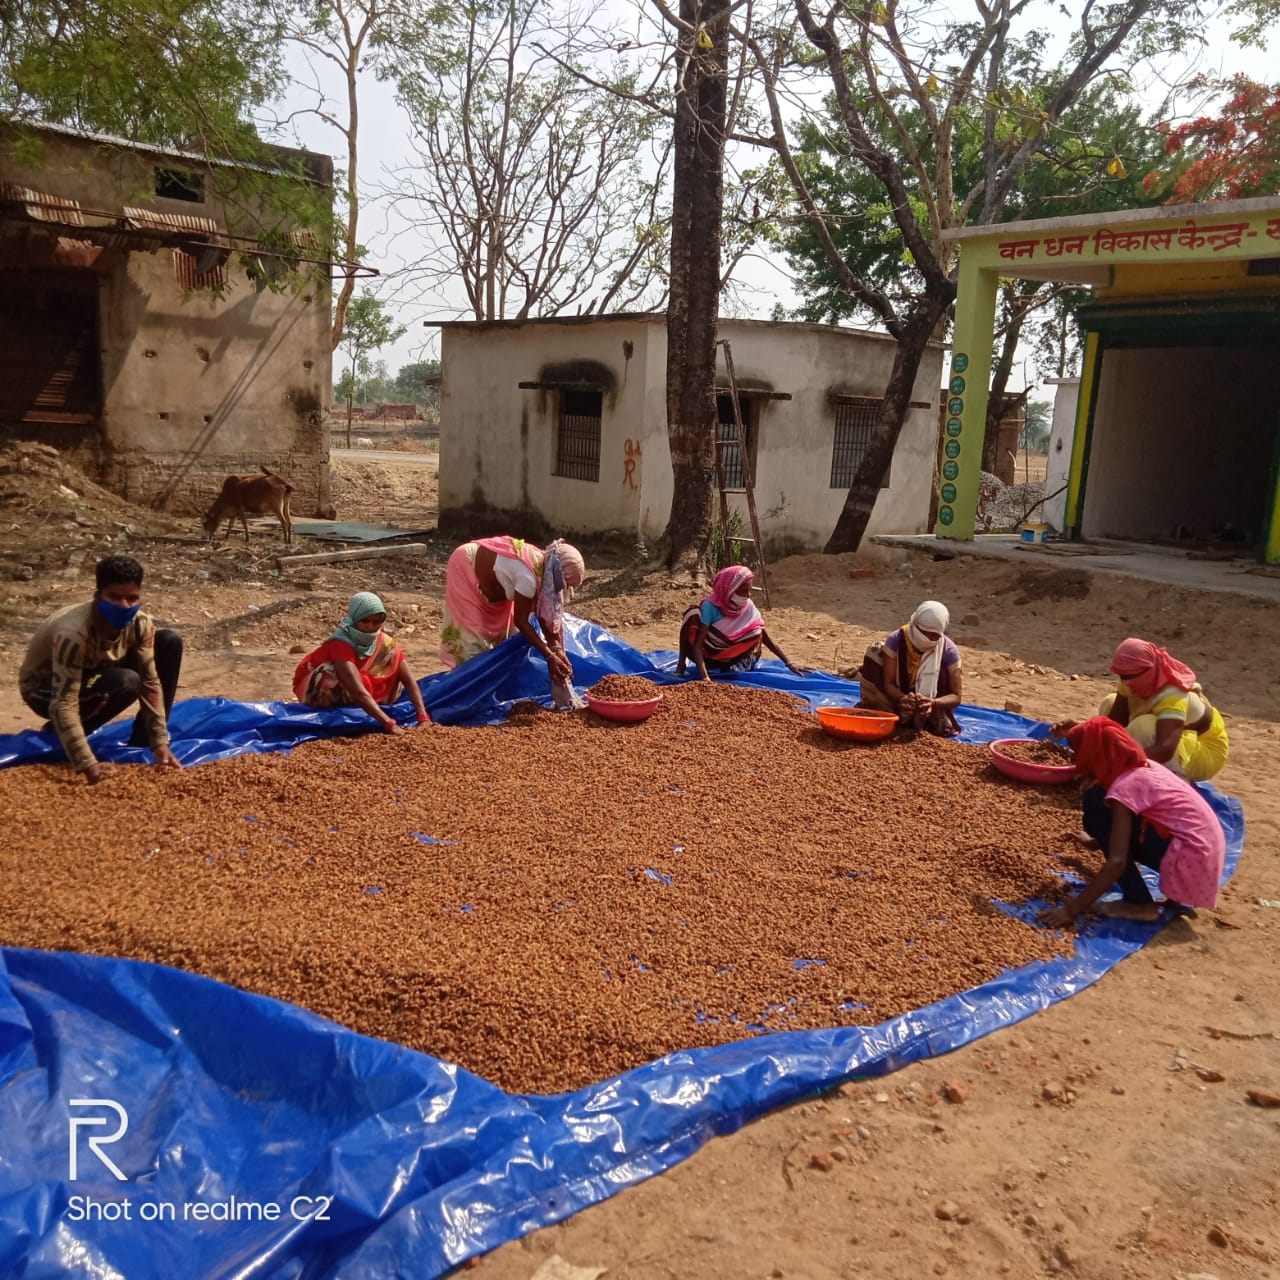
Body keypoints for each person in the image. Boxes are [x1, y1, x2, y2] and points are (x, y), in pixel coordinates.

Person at [1039, 716, 1225, 928]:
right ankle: (1177, 894)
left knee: (1095, 804)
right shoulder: (1145, 766)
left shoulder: (1124, 786)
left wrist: (1070, 911)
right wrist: (1098, 841)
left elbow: (1117, 862)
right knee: (1103, 805)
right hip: (1205, 863)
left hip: (1192, 863)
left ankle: (1139, 904)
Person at [18, 555, 183, 784]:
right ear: (98, 597)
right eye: (115, 597)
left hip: (95, 672)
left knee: (169, 642)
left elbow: (150, 682)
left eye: (132, 598)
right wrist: (88, 764)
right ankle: (58, 733)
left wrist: (160, 742)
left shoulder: (141, 623)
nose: (125, 606)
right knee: (126, 682)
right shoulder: (74, 633)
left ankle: (142, 741)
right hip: (44, 687)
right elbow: (63, 702)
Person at [439, 535, 586, 707]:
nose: (564, 589)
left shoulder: (547, 568)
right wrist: (549, 656)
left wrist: (557, 650)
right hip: (467, 566)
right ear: (558, 573)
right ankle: (463, 700)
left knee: (505, 639)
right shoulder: (528, 576)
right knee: (472, 644)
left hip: (497, 585)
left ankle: (495, 691)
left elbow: (545, 616)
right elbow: (521, 621)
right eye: (565, 583)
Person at [294, 592, 429, 734]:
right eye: (364, 621)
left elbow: (408, 680)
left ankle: (371, 706)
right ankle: (340, 711)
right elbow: (357, 690)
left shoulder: (385, 643)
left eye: (376, 622)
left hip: (360, 686)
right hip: (318, 690)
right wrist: (389, 724)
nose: (370, 627)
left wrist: (422, 716)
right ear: (354, 619)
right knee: (330, 672)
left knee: (390, 653)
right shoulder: (341, 644)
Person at [1100, 637, 1228, 783]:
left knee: (1143, 727)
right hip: (1172, 732)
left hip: (1204, 749)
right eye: (1122, 677)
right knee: (1109, 702)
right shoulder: (1133, 678)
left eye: (1129, 677)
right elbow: (1115, 722)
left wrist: (1119, 762)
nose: (1125, 682)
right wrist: (1083, 732)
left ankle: (1169, 781)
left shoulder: (1172, 694)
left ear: (1148, 671)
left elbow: (1165, 749)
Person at [676, 564, 805, 680]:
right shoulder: (710, 607)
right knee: (691, 616)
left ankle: (734, 668)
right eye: (743, 591)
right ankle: (680, 666)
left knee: (755, 633)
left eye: (749, 591)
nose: (748, 595)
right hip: (709, 656)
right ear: (728, 589)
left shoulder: (747, 606)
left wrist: (789, 663)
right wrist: (705, 679)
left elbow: (764, 636)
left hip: (732, 657)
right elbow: (698, 645)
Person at [857, 599, 962, 736]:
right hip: (898, 695)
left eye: (934, 636)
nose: (928, 639)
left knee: (942, 671)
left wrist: (932, 703)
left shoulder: (948, 650)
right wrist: (903, 698)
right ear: (915, 625)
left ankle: (929, 719)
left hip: (931, 701)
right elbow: (888, 684)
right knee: (874, 654)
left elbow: (956, 696)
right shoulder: (897, 639)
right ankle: (887, 712)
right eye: (924, 633)